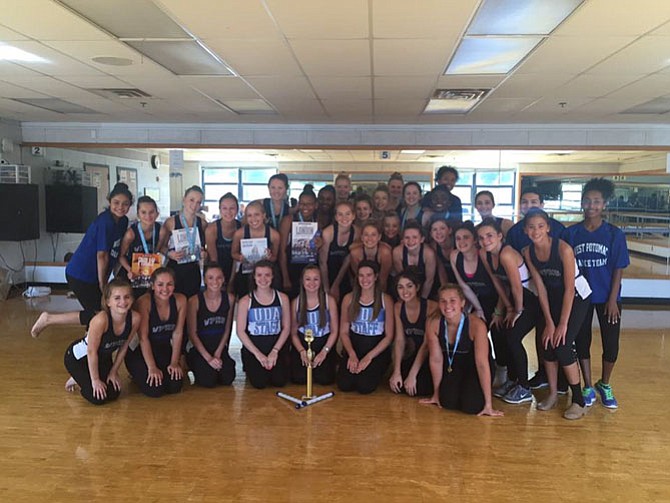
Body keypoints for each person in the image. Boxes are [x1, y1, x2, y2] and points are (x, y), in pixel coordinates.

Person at [563, 178, 630, 409]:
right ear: (582, 203)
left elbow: (619, 268)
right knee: (582, 342)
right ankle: (588, 385)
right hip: (581, 298)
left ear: (604, 205)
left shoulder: (614, 234)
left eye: (597, 201)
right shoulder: (572, 234)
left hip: (607, 298)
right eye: (587, 200)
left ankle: (605, 383)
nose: (591, 205)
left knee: (611, 345)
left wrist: (613, 299)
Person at [31, 183, 132, 336]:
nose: (120, 207)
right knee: (99, 314)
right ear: (109, 201)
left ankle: (90, 341)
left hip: (95, 274)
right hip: (81, 274)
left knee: (101, 313)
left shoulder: (123, 221)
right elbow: (102, 255)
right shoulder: (105, 222)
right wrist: (102, 283)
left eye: (125, 204)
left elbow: (116, 252)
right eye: (116, 203)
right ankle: (49, 319)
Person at [523, 209, 592, 420]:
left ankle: (579, 400)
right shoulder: (528, 252)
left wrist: (561, 325)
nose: (536, 231)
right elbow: (541, 288)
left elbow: (570, 289)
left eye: (540, 226)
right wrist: (549, 323)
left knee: (562, 345)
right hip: (552, 298)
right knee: (546, 343)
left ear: (548, 228)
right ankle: (553, 393)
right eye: (531, 227)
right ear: (525, 230)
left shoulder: (563, 249)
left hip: (577, 297)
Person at [505, 186, 566, 390]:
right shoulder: (516, 232)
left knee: (556, 336)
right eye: (525, 202)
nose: (529, 206)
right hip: (531, 291)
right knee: (542, 334)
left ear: (541, 205)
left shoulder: (557, 229)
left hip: (558, 290)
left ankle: (562, 382)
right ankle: (542, 374)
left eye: (534, 202)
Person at [478, 218, 538, 405]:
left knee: (513, 336)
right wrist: (503, 309)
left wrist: (516, 311)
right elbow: (498, 283)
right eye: (481, 237)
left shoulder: (507, 254)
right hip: (512, 299)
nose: (485, 241)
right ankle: (512, 380)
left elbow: (517, 286)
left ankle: (524, 387)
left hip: (529, 300)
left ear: (500, 236)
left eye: (489, 236)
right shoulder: (484, 254)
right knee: (501, 331)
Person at [420, 284, 503, 417]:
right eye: (443, 301)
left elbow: (482, 364)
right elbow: (436, 359)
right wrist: (436, 394)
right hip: (454, 365)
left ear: (462, 303)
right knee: (446, 402)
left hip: (475, 366)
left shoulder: (477, 325)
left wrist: (489, 404)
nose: (448, 306)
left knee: (472, 406)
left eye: (452, 300)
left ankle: (478, 396)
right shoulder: (433, 323)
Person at [62, 278, 140, 405]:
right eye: (117, 298)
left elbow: (124, 347)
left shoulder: (135, 318)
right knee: (97, 398)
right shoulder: (101, 320)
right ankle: (77, 378)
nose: (123, 302)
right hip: (79, 359)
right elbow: (91, 351)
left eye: (127, 297)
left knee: (113, 393)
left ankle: (86, 377)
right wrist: (95, 380)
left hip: (102, 359)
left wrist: (114, 371)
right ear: (108, 302)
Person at [449, 221, 508, 387]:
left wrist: (498, 311)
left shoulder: (484, 255)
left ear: (475, 240)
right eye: (458, 238)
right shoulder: (454, 256)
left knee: (497, 330)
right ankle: (477, 369)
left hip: (497, 299)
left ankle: (502, 370)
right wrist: (478, 309)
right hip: (474, 300)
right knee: (470, 331)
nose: (461, 242)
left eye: (466, 237)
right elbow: (464, 286)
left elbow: (500, 286)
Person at [125, 268, 187, 397]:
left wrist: (174, 362)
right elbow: (143, 338)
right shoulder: (144, 302)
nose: (165, 289)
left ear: (174, 285)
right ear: (152, 286)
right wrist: (152, 367)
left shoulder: (181, 300)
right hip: (139, 351)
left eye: (169, 284)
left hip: (162, 348)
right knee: (154, 389)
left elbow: (178, 333)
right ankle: (137, 373)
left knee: (175, 385)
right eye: (160, 284)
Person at [337, 260, 394, 394]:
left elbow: (389, 336)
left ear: (376, 277)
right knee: (344, 385)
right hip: (355, 346)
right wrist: (351, 354)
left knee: (365, 387)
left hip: (375, 349)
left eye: (368, 275)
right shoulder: (349, 298)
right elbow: (344, 332)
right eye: (361, 275)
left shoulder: (385, 300)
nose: (365, 279)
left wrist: (369, 357)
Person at [235, 260, 291, 389]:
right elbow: (240, 331)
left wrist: (275, 351)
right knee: (259, 383)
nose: (263, 279)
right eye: (259, 275)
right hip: (255, 349)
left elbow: (286, 328)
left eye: (267, 275)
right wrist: (258, 354)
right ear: (254, 277)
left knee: (279, 381)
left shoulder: (282, 298)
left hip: (275, 347)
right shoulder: (246, 301)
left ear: (272, 276)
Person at [185, 264, 236, 388]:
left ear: (224, 279)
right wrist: (208, 358)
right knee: (208, 381)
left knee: (228, 378)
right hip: (200, 349)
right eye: (211, 278)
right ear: (205, 279)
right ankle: (192, 364)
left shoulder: (229, 298)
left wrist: (218, 354)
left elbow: (227, 329)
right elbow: (192, 333)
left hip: (218, 347)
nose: (215, 281)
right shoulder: (194, 301)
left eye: (219, 278)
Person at [389, 271, 437, 396]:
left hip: (429, 356)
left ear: (417, 287)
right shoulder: (398, 307)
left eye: (409, 286)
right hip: (411, 354)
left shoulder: (431, 307)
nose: (405, 291)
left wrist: (412, 375)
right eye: (400, 287)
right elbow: (399, 340)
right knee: (399, 387)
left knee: (420, 389)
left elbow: (427, 344)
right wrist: (396, 371)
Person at [290, 265, 339, 385]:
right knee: (299, 379)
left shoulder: (329, 301)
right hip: (303, 344)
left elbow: (334, 331)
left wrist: (324, 351)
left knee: (325, 380)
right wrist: (302, 351)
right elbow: (293, 333)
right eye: (308, 279)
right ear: (302, 281)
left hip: (323, 343)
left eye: (316, 279)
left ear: (321, 281)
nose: (312, 282)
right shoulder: (296, 303)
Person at [160, 186, 207, 298]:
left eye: (198, 202)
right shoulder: (171, 222)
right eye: (191, 200)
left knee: (191, 305)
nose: (194, 205)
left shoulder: (203, 224)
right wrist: (169, 253)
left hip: (193, 271)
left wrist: (204, 253)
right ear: (184, 199)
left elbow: (204, 248)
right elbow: (160, 247)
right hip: (174, 270)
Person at [230, 201, 281, 298]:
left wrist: (270, 257)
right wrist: (240, 257)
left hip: (265, 276)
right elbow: (233, 253)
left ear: (263, 215)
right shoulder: (239, 234)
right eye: (249, 215)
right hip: (246, 274)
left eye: (256, 215)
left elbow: (275, 258)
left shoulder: (274, 235)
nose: (253, 219)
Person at [118, 195, 164, 300]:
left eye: (151, 212)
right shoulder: (131, 233)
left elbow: (160, 251)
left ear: (157, 213)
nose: (148, 216)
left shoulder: (161, 230)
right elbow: (121, 256)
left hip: (149, 275)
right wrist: (130, 270)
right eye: (143, 212)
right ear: (138, 214)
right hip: (131, 276)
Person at [279, 187, 319, 299]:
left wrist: (320, 244)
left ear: (316, 205)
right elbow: (282, 251)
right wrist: (285, 277)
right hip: (292, 270)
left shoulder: (318, 221)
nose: (305, 207)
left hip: (311, 270)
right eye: (302, 204)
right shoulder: (289, 220)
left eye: (309, 204)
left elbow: (321, 249)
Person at [320, 200, 358, 302]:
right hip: (326, 273)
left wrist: (336, 285)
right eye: (340, 214)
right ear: (336, 217)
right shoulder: (328, 233)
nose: (344, 218)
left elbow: (348, 260)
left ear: (353, 216)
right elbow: (322, 263)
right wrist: (326, 289)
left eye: (347, 214)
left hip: (344, 273)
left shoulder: (357, 232)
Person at [392, 220, 437, 299]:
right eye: (407, 237)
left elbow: (429, 280)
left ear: (422, 239)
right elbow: (401, 279)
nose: (410, 241)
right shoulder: (397, 252)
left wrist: (422, 300)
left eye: (415, 237)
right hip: (406, 289)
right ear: (402, 239)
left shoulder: (428, 253)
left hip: (426, 289)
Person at [205, 193, 242, 286]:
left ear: (237, 209)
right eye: (224, 208)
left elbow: (238, 258)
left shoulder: (242, 228)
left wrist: (231, 283)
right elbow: (214, 260)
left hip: (236, 270)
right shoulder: (212, 229)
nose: (228, 212)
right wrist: (219, 282)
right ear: (220, 210)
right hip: (216, 272)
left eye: (232, 208)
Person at [348, 220, 393, 293]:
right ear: (362, 237)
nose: (369, 238)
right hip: (363, 284)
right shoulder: (355, 253)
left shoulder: (385, 252)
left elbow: (383, 279)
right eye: (366, 235)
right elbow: (359, 278)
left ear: (379, 237)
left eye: (373, 235)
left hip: (382, 285)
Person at [427, 217, 456, 299]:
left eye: (442, 228)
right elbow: (441, 271)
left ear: (450, 230)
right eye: (434, 229)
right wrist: (446, 291)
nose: (438, 232)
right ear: (431, 234)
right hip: (447, 280)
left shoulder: (459, 243)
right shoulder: (433, 247)